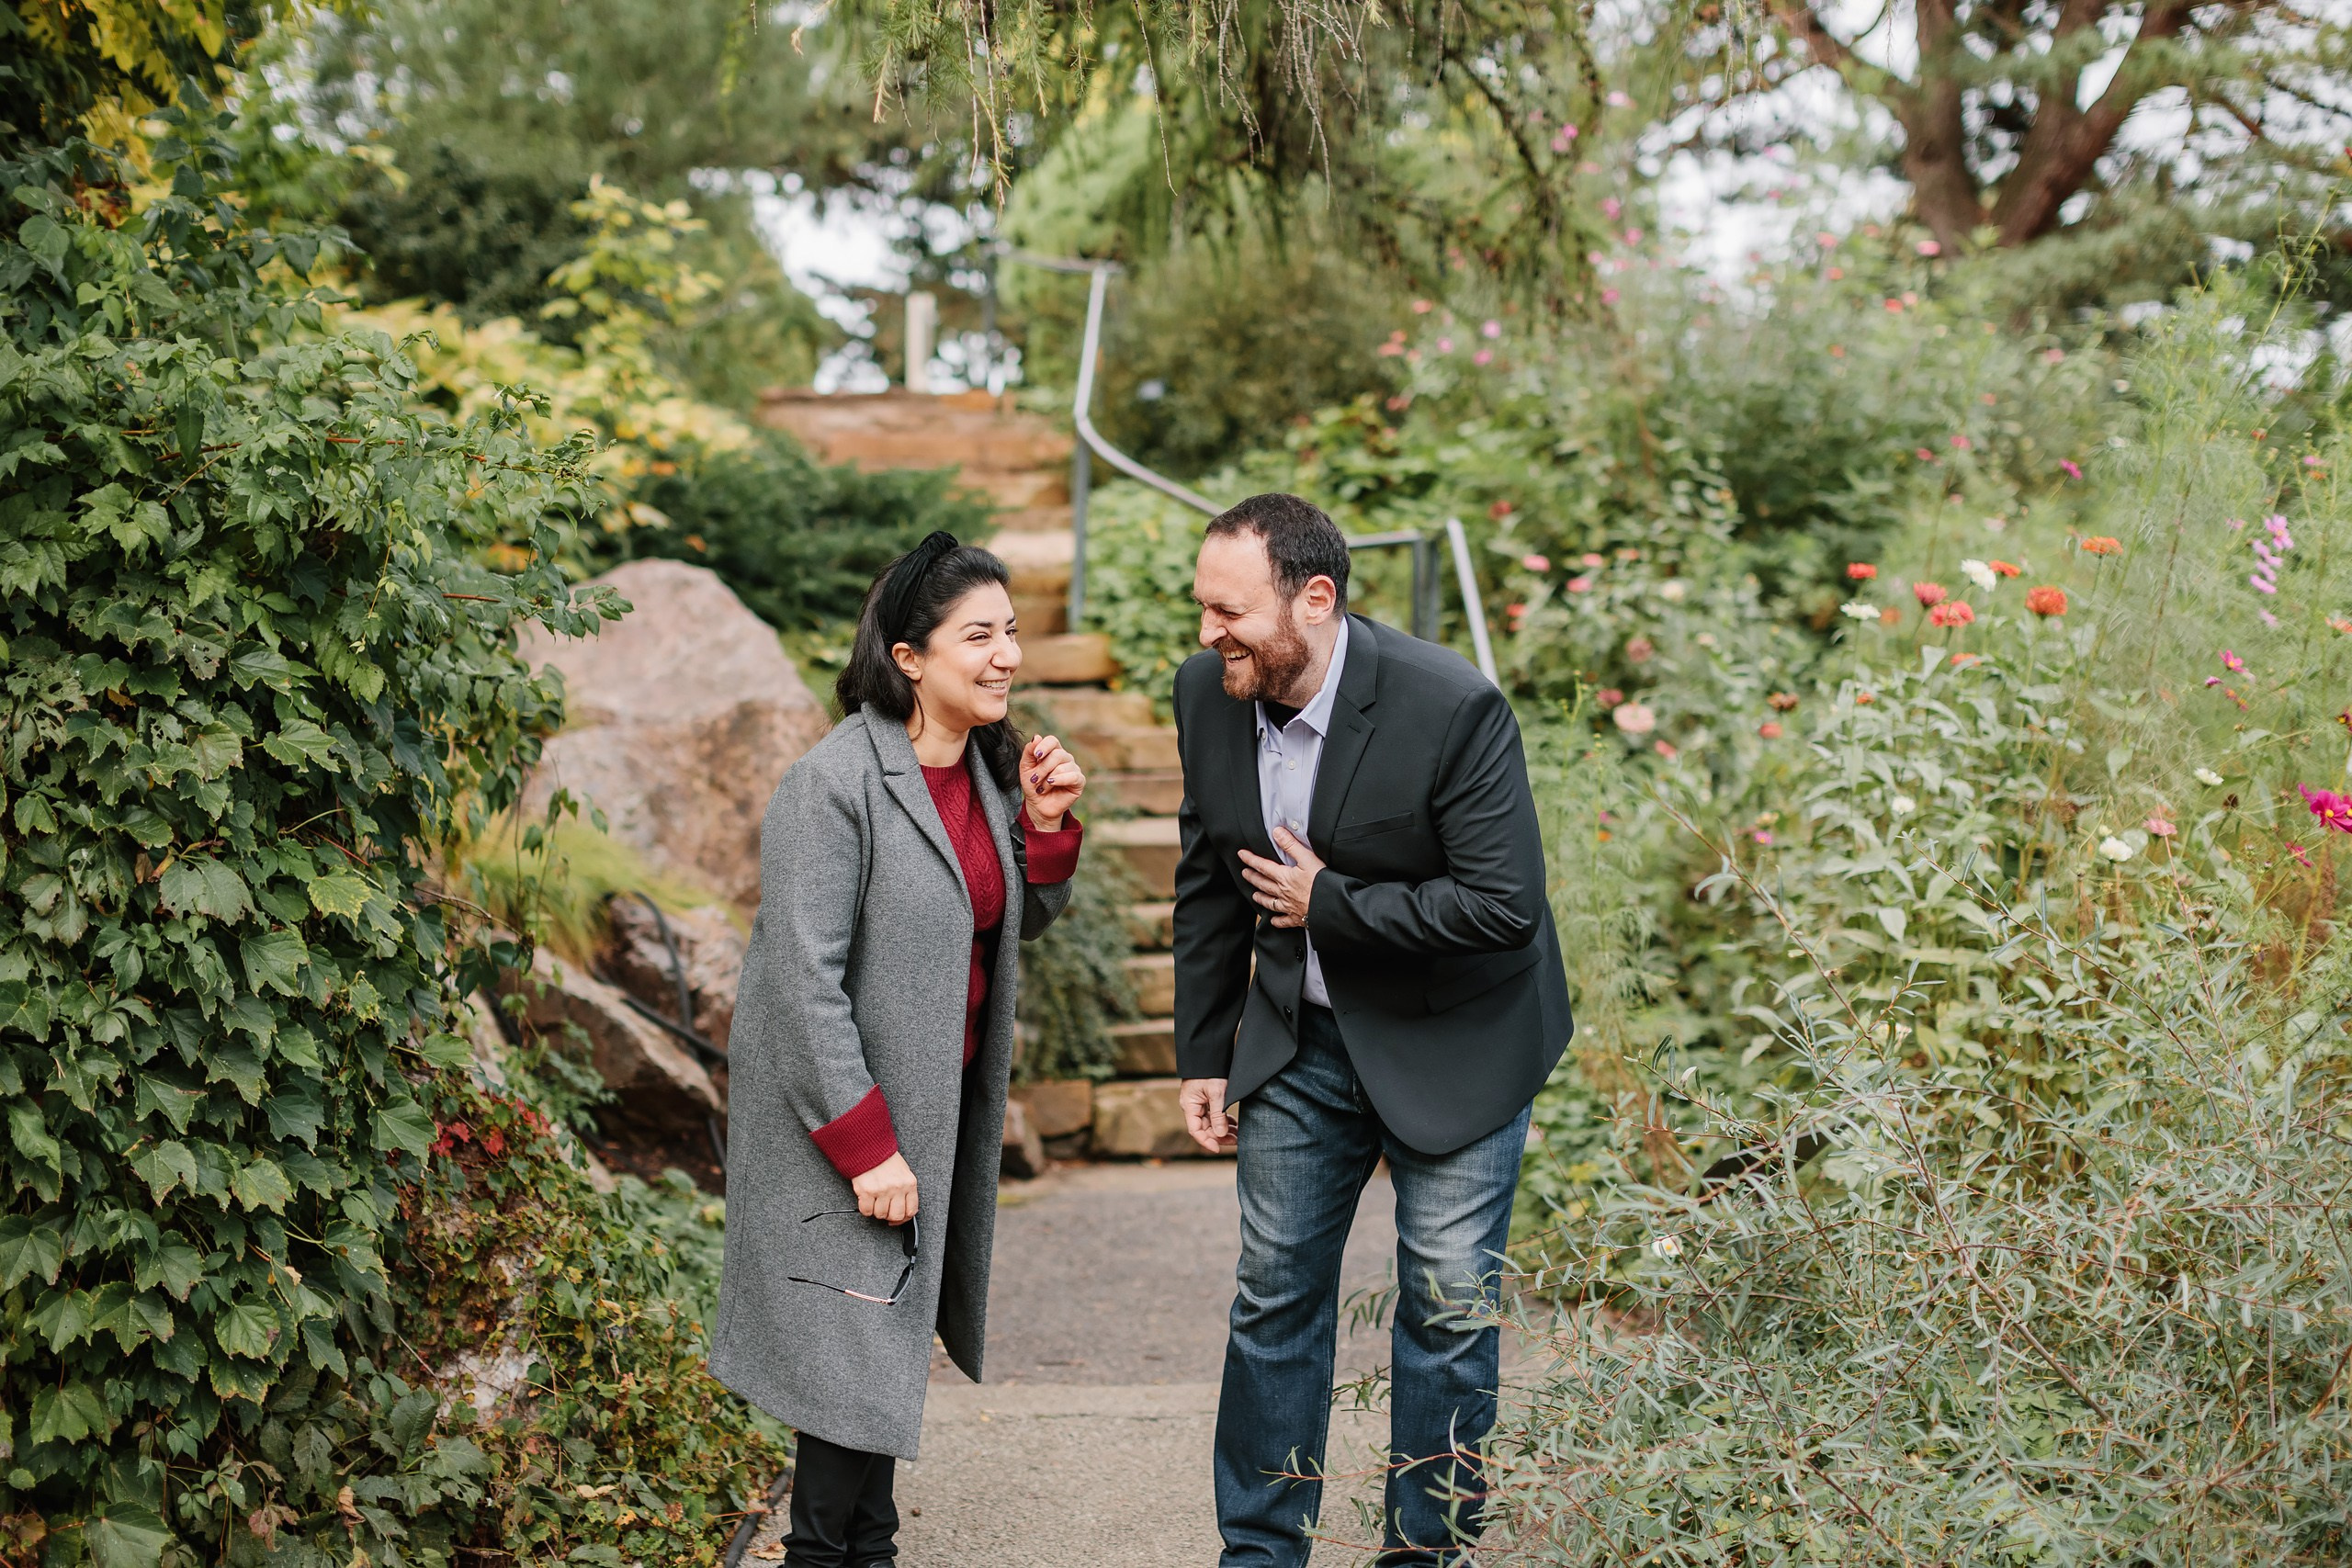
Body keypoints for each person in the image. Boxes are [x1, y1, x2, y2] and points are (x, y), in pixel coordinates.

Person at [1170, 494, 1572, 1566]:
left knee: (1444, 1309)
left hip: (1458, 1038)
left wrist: (1331, 904)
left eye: (1229, 610)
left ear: (1316, 598)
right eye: (1202, 606)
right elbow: (1210, 881)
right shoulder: (1205, 696)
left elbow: (1502, 906)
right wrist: (1203, 1054)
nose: (1208, 633)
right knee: (1273, 1299)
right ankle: (1259, 1551)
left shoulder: (1451, 705)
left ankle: (1424, 1552)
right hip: (1298, 1045)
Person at [711, 532, 1086, 1568]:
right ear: (910, 658)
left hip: (925, 1126)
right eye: (980, 635)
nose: (1006, 654)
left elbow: (1001, 921)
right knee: (839, 1447)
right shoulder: (833, 786)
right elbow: (797, 983)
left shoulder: (982, 774)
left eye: (1010, 632)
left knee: (867, 1426)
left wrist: (1046, 827)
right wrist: (867, 1148)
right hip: (841, 1142)